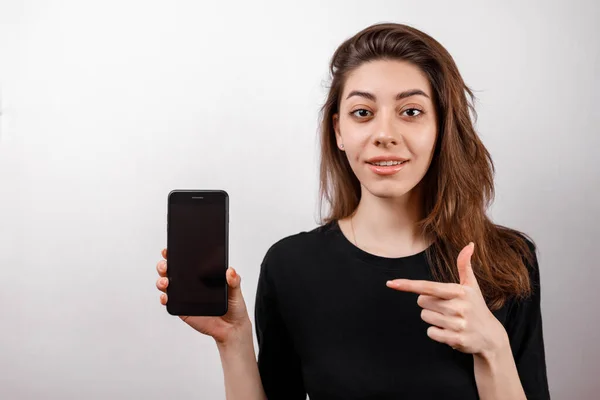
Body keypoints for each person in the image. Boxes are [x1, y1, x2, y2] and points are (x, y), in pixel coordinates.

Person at [155, 22, 550, 400]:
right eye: (363, 112)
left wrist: (493, 346)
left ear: (442, 127)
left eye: (410, 111)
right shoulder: (290, 266)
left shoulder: (505, 260)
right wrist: (233, 340)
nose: (384, 134)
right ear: (339, 131)